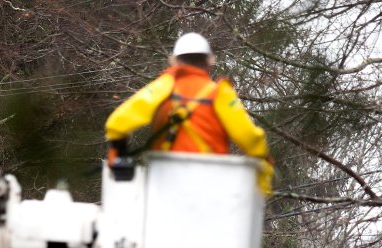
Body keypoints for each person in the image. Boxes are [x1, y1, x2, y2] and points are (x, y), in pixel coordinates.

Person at [103, 32, 274, 194]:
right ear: (209, 61)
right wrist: (264, 168)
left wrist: (118, 157)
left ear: (175, 61)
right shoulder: (220, 93)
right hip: (211, 186)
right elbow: (249, 137)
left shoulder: (164, 86)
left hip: (164, 183)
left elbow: (117, 123)